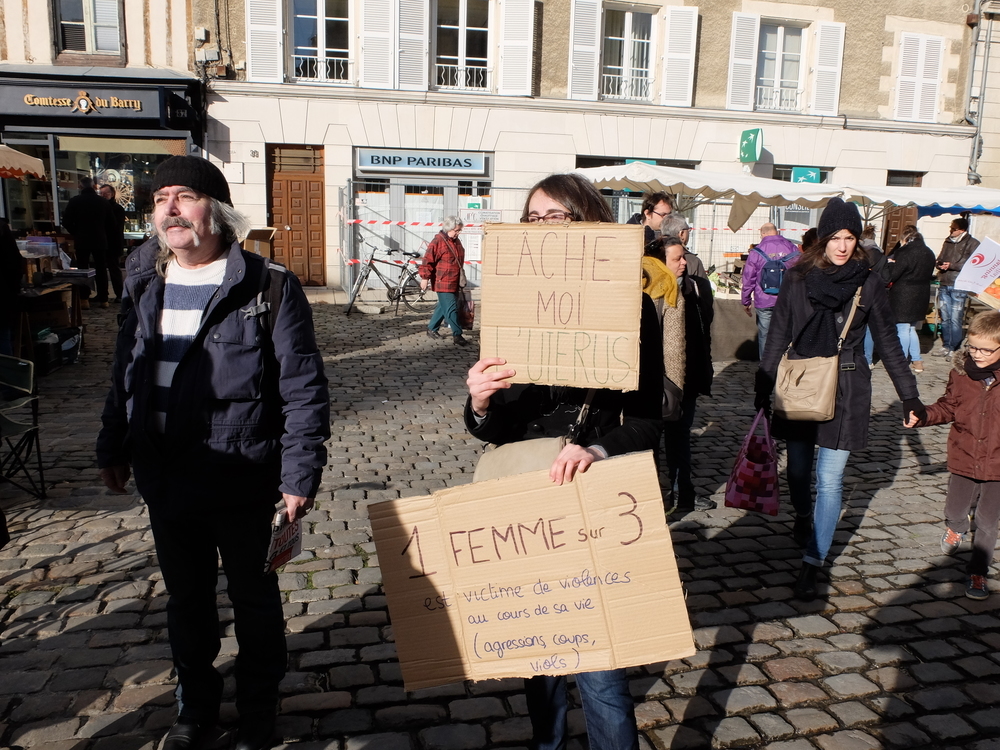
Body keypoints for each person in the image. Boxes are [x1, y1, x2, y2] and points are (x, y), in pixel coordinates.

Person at [96, 156, 330, 750]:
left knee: (254, 601)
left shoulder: (267, 285)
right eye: (159, 200)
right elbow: (125, 371)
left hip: (243, 475)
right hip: (165, 474)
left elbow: (303, 388)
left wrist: (299, 474)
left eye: (184, 196)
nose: (169, 209)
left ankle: (257, 712)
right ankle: (195, 709)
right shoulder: (143, 280)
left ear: (217, 212)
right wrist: (113, 442)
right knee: (188, 603)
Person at [466, 172, 662, 750]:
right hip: (528, 498)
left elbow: (650, 421)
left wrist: (595, 449)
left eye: (557, 217)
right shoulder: (514, 308)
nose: (543, 228)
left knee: (599, 663)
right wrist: (480, 401)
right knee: (539, 655)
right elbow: (500, 429)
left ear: (590, 222)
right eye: (534, 219)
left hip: (591, 494)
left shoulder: (631, 308)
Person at [755, 197, 924, 601]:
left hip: (848, 387)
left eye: (850, 237)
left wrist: (909, 396)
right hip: (800, 383)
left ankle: (812, 563)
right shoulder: (798, 278)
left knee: (829, 481)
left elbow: (888, 342)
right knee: (798, 472)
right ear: (823, 239)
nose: (843, 246)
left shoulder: (869, 282)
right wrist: (763, 385)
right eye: (835, 238)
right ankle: (802, 515)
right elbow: (778, 333)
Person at [906, 311, 1000, 600]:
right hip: (964, 456)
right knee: (956, 510)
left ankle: (978, 572)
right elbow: (947, 407)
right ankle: (956, 528)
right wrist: (923, 415)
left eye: (986, 350)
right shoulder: (960, 374)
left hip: (997, 465)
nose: (977, 354)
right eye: (973, 347)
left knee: (987, 521)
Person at [657, 235, 714, 513]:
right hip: (655, 379)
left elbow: (704, 330)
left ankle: (683, 494)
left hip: (687, 378)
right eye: (677, 258)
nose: (683, 263)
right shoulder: (648, 291)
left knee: (680, 437)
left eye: (684, 257)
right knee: (649, 440)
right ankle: (650, 496)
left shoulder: (696, 287)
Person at [741, 223, 801, 358]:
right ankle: (784, 364)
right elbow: (801, 274)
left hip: (764, 300)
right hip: (787, 300)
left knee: (765, 335)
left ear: (762, 233)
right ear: (777, 232)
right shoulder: (792, 248)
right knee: (786, 334)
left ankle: (766, 365)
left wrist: (746, 301)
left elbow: (748, 279)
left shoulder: (756, 252)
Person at [886, 225, 936, 373]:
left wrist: (891, 265)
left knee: (902, 328)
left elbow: (894, 274)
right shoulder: (929, 252)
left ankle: (901, 362)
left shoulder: (905, 252)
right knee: (911, 328)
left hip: (904, 293)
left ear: (905, 239)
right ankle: (917, 360)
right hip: (922, 293)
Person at [62, 176, 115, 308]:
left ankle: (84, 298)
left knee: (82, 269)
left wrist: (76, 232)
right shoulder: (103, 202)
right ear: (93, 186)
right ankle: (104, 299)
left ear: (80, 186)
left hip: (82, 239)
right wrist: (103, 233)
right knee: (101, 269)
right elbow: (112, 223)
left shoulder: (75, 201)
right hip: (100, 238)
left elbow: (66, 221)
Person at [419, 216, 469, 347]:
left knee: (444, 306)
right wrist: (424, 278)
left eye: (459, 230)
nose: (459, 233)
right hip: (443, 282)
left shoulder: (456, 241)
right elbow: (427, 260)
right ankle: (457, 334)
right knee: (451, 308)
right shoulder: (438, 241)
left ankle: (432, 328)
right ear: (448, 228)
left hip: (454, 280)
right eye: (456, 230)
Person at [935, 217, 980, 357]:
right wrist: (940, 264)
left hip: (960, 284)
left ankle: (954, 347)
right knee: (945, 317)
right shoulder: (948, 241)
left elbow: (973, 264)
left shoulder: (973, 243)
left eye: (954, 229)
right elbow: (941, 257)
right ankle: (946, 345)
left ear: (962, 230)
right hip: (945, 282)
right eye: (951, 228)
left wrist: (952, 265)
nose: (951, 231)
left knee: (955, 318)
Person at [659, 212, 707, 280]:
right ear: (681, 233)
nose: (683, 262)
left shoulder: (651, 253)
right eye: (688, 230)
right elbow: (703, 286)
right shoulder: (692, 261)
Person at [99, 183, 126, 302]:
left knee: (114, 269)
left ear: (112, 194)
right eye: (101, 193)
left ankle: (120, 294)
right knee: (101, 270)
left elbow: (116, 228)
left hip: (113, 243)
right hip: (103, 243)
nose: (103, 195)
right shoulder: (101, 207)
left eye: (106, 193)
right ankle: (102, 294)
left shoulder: (117, 209)